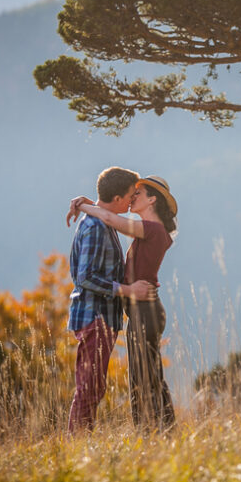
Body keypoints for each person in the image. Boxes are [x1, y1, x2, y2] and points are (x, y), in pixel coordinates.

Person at [67, 175, 178, 432]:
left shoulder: (152, 230)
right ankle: (161, 431)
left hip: (145, 310)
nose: (132, 198)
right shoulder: (149, 229)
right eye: (132, 193)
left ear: (152, 200)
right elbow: (107, 216)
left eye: (138, 194)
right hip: (139, 310)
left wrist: (82, 204)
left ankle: (153, 431)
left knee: (145, 376)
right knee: (146, 375)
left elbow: (109, 218)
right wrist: (88, 203)